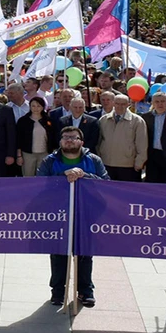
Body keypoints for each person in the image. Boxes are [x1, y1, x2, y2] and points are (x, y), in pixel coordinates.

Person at [37, 126, 110, 308]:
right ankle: (58, 292)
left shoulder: (93, 160)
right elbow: (39, 184)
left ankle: (85, 291)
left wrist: (85, 175)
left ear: (81, 142)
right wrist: (63, 177)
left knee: (85, 254)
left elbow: (106, 184)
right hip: (58, 215)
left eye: (73, 137)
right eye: (65, 137)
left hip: (86, 213)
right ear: (60, 142)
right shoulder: (50, 161)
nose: (69, 140)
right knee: (58, 254)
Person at [97, 94, 147, 182]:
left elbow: (142, 144)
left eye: (123, 104)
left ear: (128, 104)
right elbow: (99, 142)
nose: (120, 106)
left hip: (128, 165)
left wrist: (139, 162)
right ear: (113, 103)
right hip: (106, 163)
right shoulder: (103, 120)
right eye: (117, 103)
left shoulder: (137, 121)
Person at [16, 97, 57, 177]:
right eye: (33, 106)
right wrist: (19, 156)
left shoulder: (48, 121)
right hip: (28, 154)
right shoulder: (23, 121)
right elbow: (19, 139)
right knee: (28, 177)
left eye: (38, 106)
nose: (36, 108)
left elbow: (53, 138)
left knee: (42, 175)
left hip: (44, 154)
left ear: (43, 107)